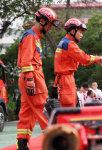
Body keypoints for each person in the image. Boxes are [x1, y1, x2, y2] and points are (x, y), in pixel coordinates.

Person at [16, 7, 59, 150]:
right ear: (42, 21)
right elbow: (26, 61)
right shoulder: (31, 36)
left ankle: (22, 144)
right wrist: (30, 80)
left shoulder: (34, 37)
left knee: (27, 111)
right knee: (44, 109)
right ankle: (55, 143)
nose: (51, 28)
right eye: (50, 24)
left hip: (30, 76)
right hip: (32, 76)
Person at [53, 18, 102, 108]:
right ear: (73, 31)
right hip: (65, 80)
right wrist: (97, 58)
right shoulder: (69, 44)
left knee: (71, 106)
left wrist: (94, 60)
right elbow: (83, 58)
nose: (82, 35)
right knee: (69, 108)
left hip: (64, 79)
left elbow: (77, 61)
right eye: (80, 32)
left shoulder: (64, 42)